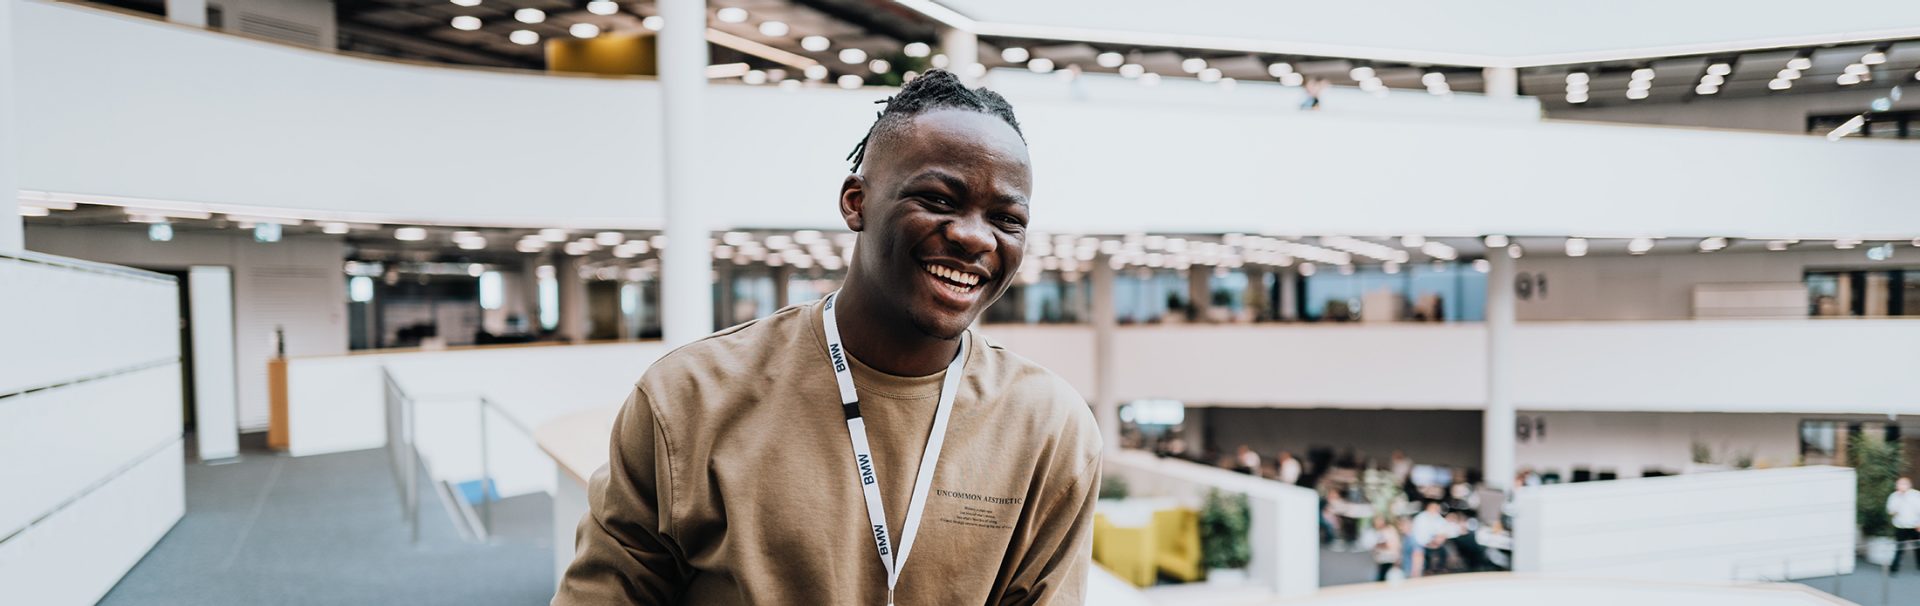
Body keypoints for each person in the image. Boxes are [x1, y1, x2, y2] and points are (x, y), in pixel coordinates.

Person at [553, 69, 1103, 605]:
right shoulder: (688, 398)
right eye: (938, 200)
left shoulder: (1049, 428)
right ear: (855, 202)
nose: (971, 236)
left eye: (1006, 218)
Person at [1410, 501, 1450, 575]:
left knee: (1444, 552)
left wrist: (1437, 540)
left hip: (1435, 544)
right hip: (1422, 545)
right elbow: (1418, 536)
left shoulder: (1438, 518)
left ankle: (1440, 570)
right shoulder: (1421, 518)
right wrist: (1428, 542)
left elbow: (1443, 531)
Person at [1890, 477, 1920, 572]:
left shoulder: (1916, 495)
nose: (1901, 486)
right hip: (1900, 527)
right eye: (1899, 484)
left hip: (1914, 527)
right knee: (1899, 549)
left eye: (1903, 484)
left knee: (1918, 548)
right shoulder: (1894, 496)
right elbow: (1891, 512)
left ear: (1909, 485)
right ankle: (1894, 569)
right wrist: (1899, 500)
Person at [1371, 516, 1402, 581]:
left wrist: (1397, 558)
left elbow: (1393, 545)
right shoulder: (1379, 531)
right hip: (1382, 559)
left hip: (1389, 559)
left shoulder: (1389, 530)